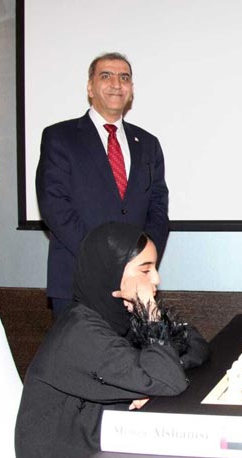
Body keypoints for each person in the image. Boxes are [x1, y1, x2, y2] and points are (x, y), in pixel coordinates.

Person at [15, 222, 210, 458]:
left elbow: (195, 343)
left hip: (101, 436)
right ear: (112, 271)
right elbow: (168, 380)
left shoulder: (118, 316)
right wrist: (151, 319)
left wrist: (154, 376)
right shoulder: (80, 332)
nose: (156, 279)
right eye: (145, 270)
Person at [36, 52, 169, 317]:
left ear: (131, 89)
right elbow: (55, 206)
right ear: (90, 87)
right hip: (77, 282)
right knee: (78, 348)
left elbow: (158, 209)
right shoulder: (59, 137)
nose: (116, 84)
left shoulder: (148, 144)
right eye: (106, 76)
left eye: (124, 78)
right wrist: (107, 264)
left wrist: (140, 265)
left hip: (134, 287)